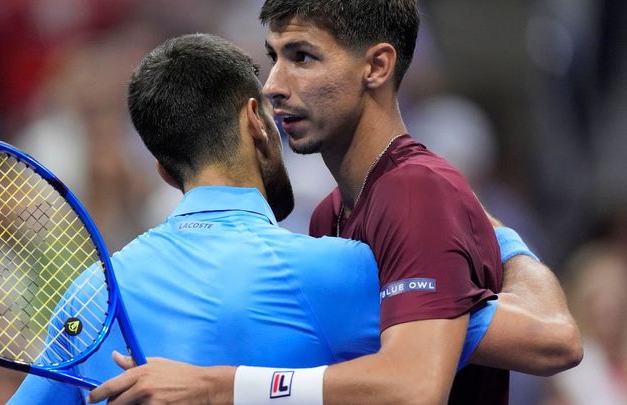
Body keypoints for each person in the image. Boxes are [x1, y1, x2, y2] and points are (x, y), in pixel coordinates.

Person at [88, 1, 582, 404]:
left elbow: (415, 386)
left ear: (377, 66)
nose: (273, 86)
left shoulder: (416, 192)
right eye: (275, 57)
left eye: (302, 57)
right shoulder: (331, 212)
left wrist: (216, 385)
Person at [6, 32, 490, 405]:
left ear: (163, 170)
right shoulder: (334, 271)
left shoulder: (93, 295)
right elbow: (545, 340)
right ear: (256, 121)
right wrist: (491, 233)